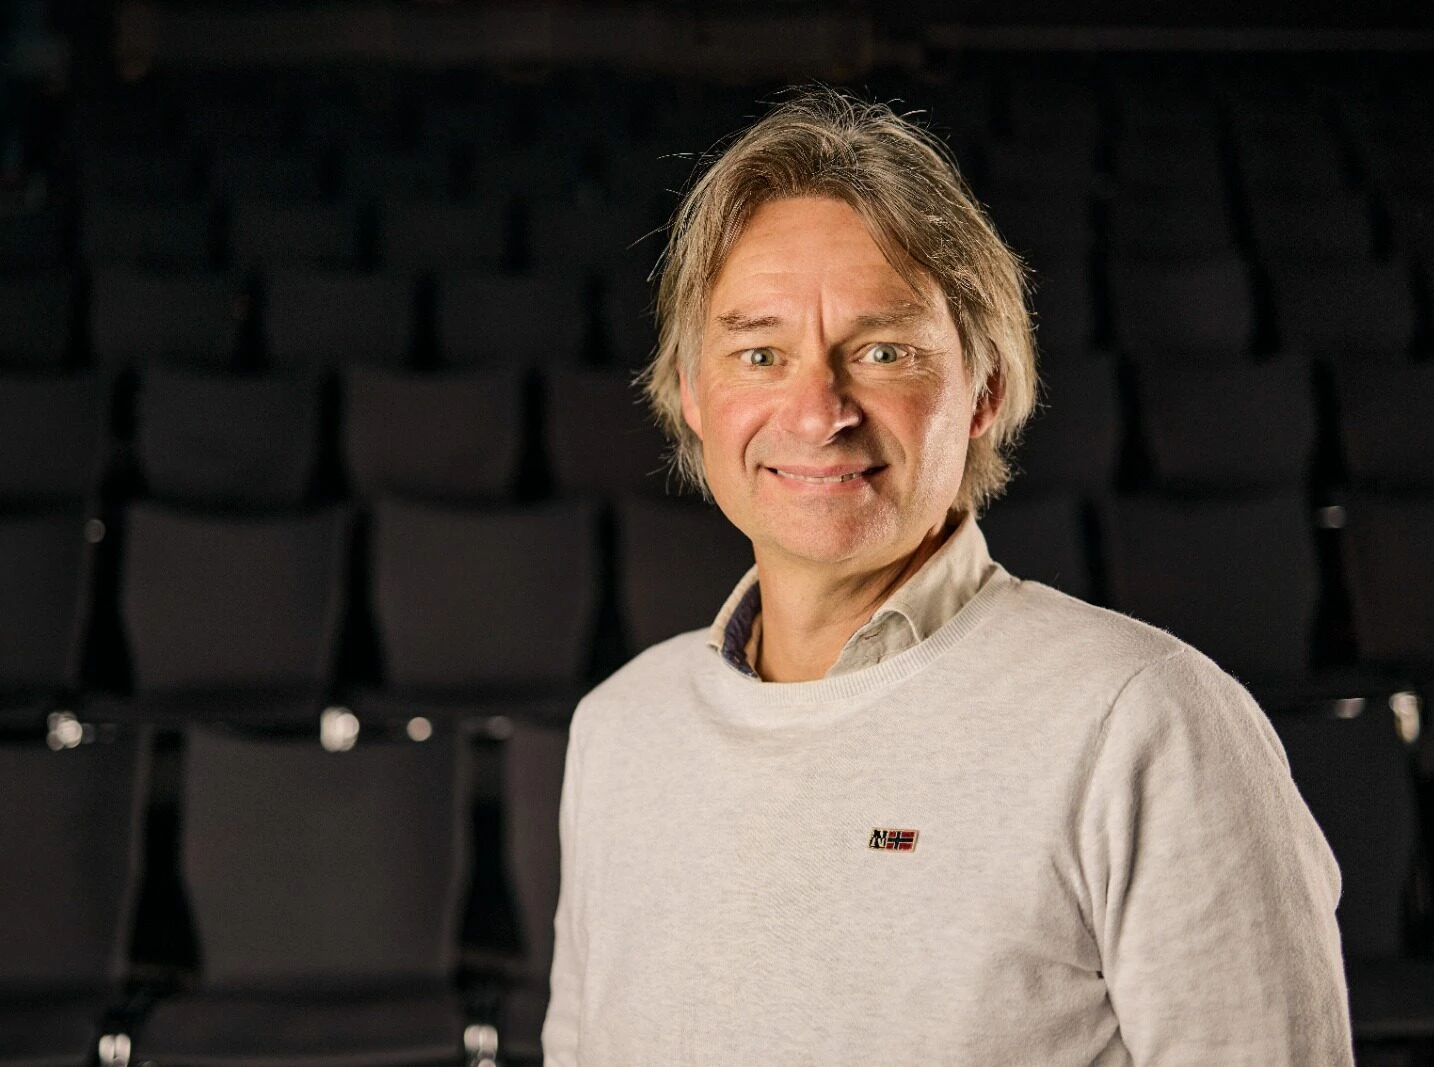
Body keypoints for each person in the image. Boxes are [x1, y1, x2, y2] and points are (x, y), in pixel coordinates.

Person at [542, 87, 1352, 1065]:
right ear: (692, 394)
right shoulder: (621, 728)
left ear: (984, 389)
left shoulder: (1144, 719)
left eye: (882, 351)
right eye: (760, 352)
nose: (816, 411)